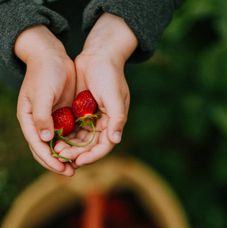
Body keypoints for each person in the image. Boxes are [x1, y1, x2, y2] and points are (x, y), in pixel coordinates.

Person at [0, 0, 182, 176]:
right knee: (40, 92)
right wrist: (33, 48)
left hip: (111, 24)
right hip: (18, 41)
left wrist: (115, 35)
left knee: (113, 81)